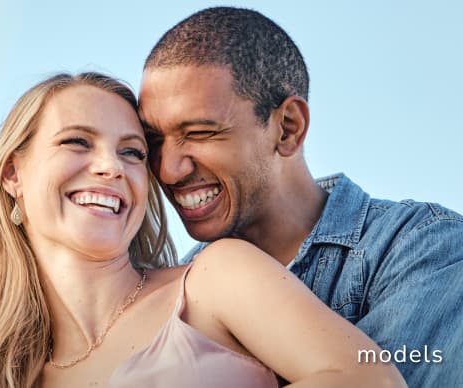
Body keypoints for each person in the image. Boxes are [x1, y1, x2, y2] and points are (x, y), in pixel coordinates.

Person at [0, 72, 405, 388]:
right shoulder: (0, 373)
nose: (110, 166)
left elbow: (370, 379)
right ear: (13, 175)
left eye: (132, 153)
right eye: (77, 142)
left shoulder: (215, 279)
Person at [138, 6, 463, 387]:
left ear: (288, 128)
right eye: (154, 140)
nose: (167, 170)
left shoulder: (422, 247)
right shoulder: (176, 293)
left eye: (200, 133)